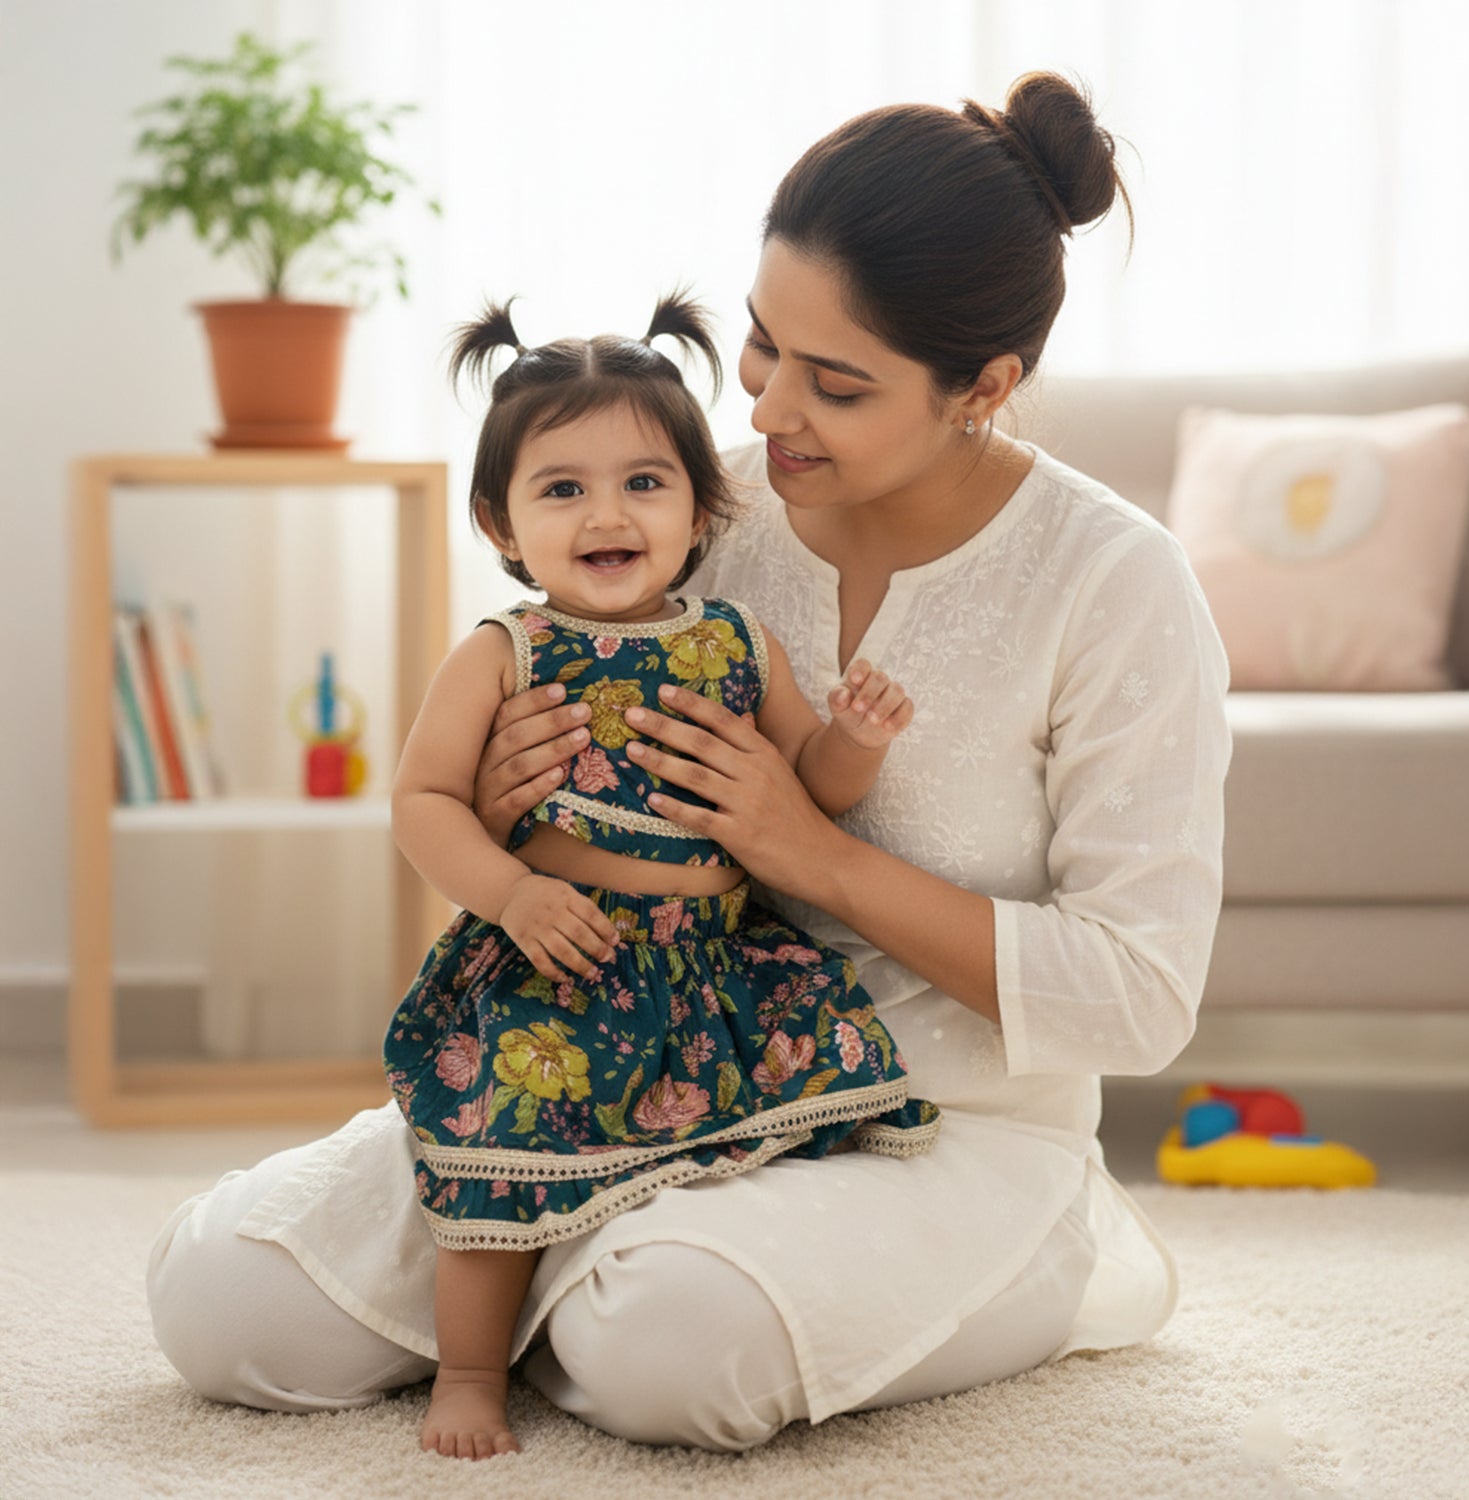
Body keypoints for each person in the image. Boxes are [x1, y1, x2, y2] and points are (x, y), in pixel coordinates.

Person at [146, 71, 1232, 1453]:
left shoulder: (1115, 582)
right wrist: (498, 811)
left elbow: (1139, 1000)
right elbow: (512, 745)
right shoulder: (696, 502)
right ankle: (571, 1257)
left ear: (987, 388)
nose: (770, 408)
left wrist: (812, 849)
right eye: (765, 345)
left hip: (939, 1125)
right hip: (616, 1063)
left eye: (835, 385)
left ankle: (619, 1283)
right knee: (223, 1304)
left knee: (666, 1348)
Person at [383, 291, 936, 1457]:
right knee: (501, 1166)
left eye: (644, 482)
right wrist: (510, 891)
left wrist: (854, 741)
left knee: (771, 1141)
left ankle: (683, 1286)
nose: (606, 512)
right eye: (562, 487)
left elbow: (808, 793)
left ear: (699, 507)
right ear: (498, 520)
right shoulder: (504, 651)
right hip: (552, 960)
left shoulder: (738, 643)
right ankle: (472, 1374)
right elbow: (422, 801)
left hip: (710, 968)